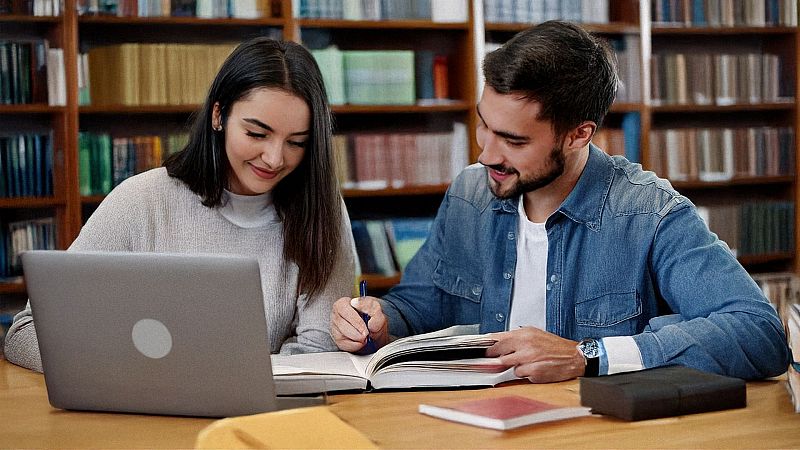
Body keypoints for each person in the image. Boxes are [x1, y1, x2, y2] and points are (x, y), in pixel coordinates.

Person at [331, 21, 790, 382]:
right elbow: (419, 307)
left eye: (512, 140)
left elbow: (759, 333)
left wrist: (585, 354)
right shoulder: (469, 195)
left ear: (578, 134)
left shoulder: (649, 213)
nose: (486, 153)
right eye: (483, 125)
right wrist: (379, 319)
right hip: (472, 424)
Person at [6, 37, 356, 372]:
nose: (275, 158)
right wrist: (127, 371)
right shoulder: (141, 202)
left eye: (296, 142)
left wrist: (237, 385)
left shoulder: (321, 210)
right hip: (140, 415)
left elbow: (319, 351)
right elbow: (27, 331)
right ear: (219, 116)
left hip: (262, 418)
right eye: (256, 134)